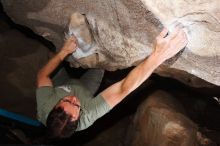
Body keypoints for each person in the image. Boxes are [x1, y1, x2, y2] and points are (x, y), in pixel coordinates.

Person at [36, 25, 188, 139]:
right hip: (86, 89)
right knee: (102, 66)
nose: (74, 99)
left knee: (52, 56)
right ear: (79, 118)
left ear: (54, 106)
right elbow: (123, 88)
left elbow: (42, 74)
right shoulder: (88, 115)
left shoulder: (45, 105)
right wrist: (158, 56)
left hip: (60, 82)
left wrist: (64, 51)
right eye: (76, 105)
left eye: (66, 100)